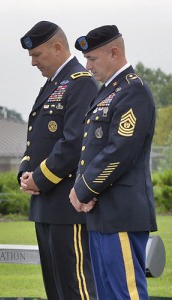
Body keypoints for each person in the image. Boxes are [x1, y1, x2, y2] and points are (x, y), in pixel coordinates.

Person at [70, 25, 157, 299]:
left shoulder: (133, 91)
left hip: (121, 213)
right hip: (101, 213)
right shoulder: (108, 92)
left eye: (92, 59)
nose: (88, 66)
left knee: (125, 293)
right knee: (106, 293)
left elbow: (120, 151)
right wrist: (84, 193)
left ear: (114, 52)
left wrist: (82, 189)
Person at [18, 21, 98, 299]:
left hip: (67, 205)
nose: (33, 62)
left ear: (57, 47)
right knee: (56, 289)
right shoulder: (52, 86)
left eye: (37, 54)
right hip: (46, 205)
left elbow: (74, 142)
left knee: (76, 287)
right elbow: (36, 140)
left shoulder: (81, 83)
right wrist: (24, 173)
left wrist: (38, 179)